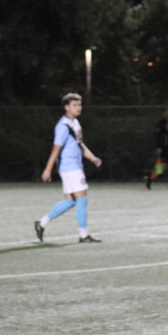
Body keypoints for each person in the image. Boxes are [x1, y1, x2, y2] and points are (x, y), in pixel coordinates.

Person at [34, 92, 103, 242]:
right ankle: (83, 235)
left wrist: (92, 158)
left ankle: (42, 223)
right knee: (82, 199)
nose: (78, 108)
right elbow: (56, 149)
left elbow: (79, 144)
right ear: (67, 107)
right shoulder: (63, 126)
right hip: (70, 167)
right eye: (74, 105)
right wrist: (47, 169)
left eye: (80, 105)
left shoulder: (75, 123)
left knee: (71, 201)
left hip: (74, 167)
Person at [146, 107, 168, 190]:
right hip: (163, 148)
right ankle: (150, 178)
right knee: (161, 167)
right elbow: (158, 137)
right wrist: (159, 147)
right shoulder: (160, 124)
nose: (167, 114)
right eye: (165, 113)